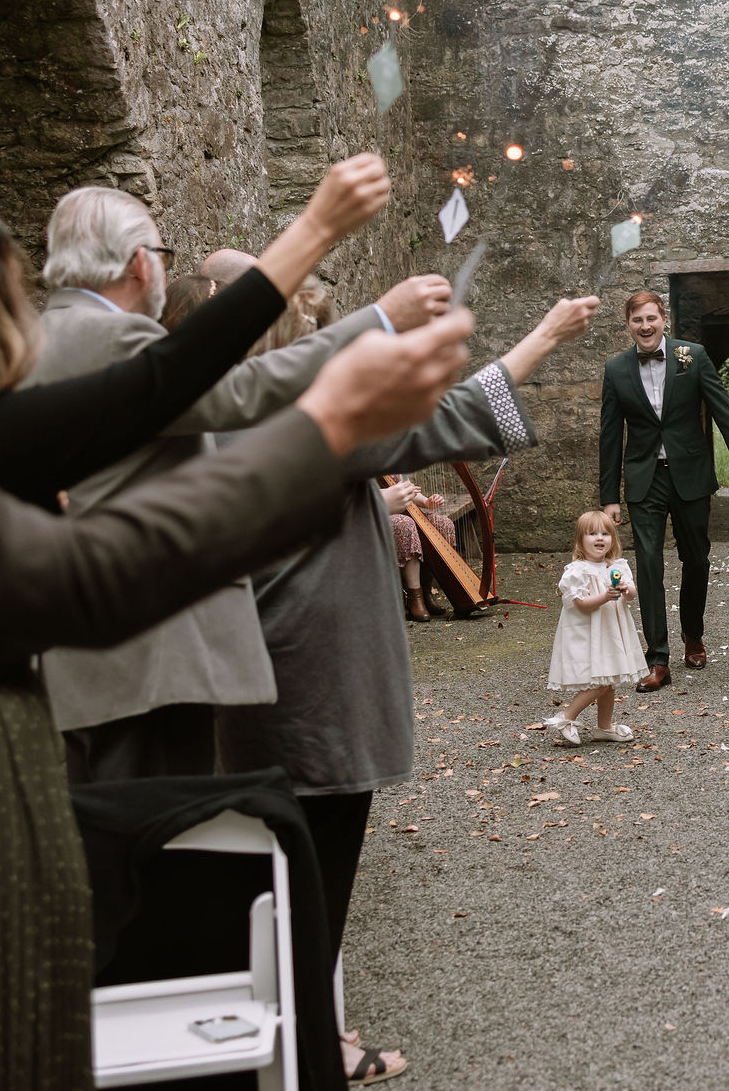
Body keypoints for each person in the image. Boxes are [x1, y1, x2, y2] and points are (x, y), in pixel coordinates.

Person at [0, 30, 475, 1091]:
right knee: (4, 1052)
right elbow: (88, 570)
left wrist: (308, 247)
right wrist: (325, 424)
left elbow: (152, 385)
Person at [217, 285, 595, 1084]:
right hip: (314, 678)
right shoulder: (304, 415)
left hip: (255, 669)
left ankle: (302, 1027)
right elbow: (448, 418)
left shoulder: (214, 411)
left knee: (270, 871)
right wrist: (545, 334)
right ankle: (318, 1048)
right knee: (312, 873)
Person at [28, 180, 452, 780]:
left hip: (88, 633)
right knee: (151, 826)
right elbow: (241, 391)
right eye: (162, 256)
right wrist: (378, 321)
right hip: (145, 646)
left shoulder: (38, 336)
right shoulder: (114, 337)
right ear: (136, 262)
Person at [598, 290, 729, 692]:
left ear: (664, 319)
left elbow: (725, 413)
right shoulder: (616, 369)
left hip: (690, 474)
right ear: (628, 324)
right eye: (637, 320)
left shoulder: (693, 356)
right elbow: (609, 435)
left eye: (652, 318)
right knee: (649, 564)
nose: (645, 326)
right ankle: (658, 659)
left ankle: (693, 634)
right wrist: (609, 497)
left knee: (697, 558)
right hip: (644, 478)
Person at [545, 510, 646, 744]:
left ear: (613, 539)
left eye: (605, 533)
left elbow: (631, 595)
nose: (600, 538)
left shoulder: (617, 566)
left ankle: (604, 727)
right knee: (600, 681)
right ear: (580, 541)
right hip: (588, 633)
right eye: (592, 534)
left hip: (611, 633)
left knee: (609, 681)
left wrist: (625, 588)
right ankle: (567, 717)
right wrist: (605, 597)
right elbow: (580, 604)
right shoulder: (578, 571)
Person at [386, 477, 457, 621]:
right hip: (370, 514)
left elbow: (405, 489)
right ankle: (414, 597)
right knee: (405, 524)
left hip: (401, 512)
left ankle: (426, 592)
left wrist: (426, 501)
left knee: (443, 524)